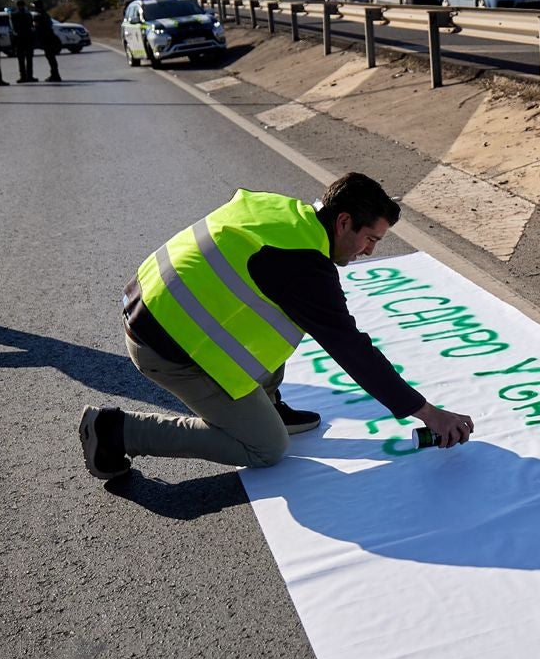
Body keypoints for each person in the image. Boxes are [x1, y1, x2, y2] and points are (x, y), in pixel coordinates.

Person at [79, 172, 476, 480]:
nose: (370, 251)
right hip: (164, 345)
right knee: (267, 448)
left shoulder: (286, 214)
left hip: (149, 302)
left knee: (274, 315)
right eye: (370, 238)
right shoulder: (305, 268)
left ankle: (267, 402)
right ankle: (117, 431)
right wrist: (427, 413)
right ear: (343, 222)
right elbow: (353, 350)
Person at [33, 0, 62, 83]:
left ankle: (55, 75)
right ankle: (55, 74)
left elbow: (37, 28)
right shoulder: (46, 14)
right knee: (51, 57)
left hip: (45, 39)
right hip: (50, 38)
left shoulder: (38, 16)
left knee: (50, 57)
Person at [9, 2, 36, 83]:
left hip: (20, 39)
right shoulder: (27, 14)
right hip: (26, 38)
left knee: (22, 59)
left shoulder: (14, 15)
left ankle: (23, 76)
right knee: (28, 58)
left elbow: (13, 28)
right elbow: (32, 26)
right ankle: (29, 76)